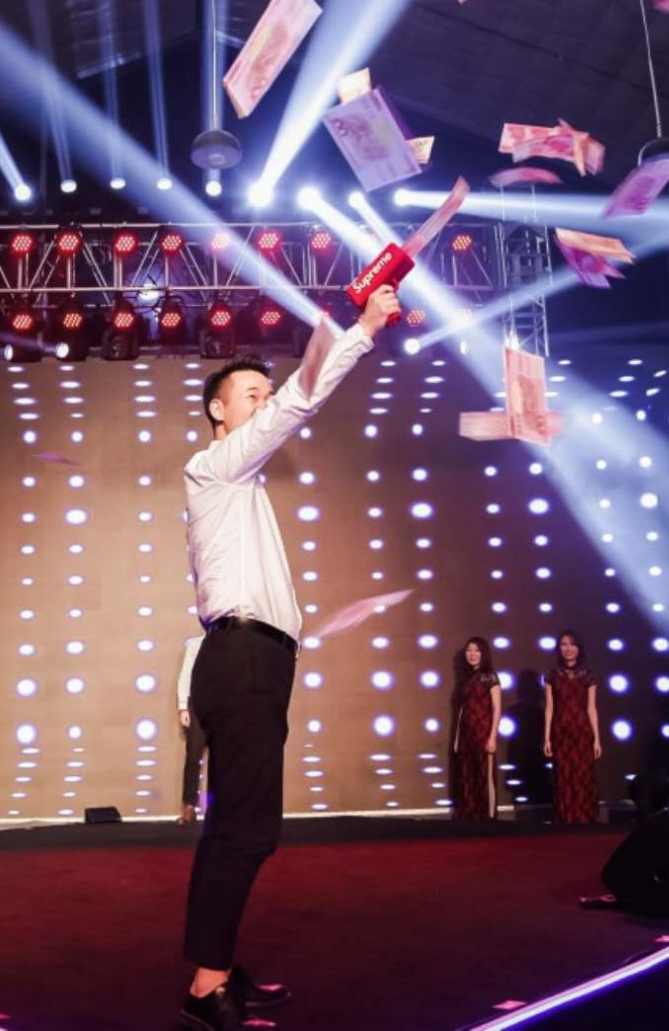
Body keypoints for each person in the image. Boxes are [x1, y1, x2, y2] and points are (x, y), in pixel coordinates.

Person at [177, 284, 396, 1030]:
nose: (266, 403)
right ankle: (206, 988)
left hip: (259, 660)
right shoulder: (212, 468)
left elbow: (290, 405)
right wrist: (362, 330)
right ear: (218, 411)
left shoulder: (243, 489)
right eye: (252, 395)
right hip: (240, 658)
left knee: (235, 826)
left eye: (266, 394)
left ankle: (214, 966)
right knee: (246, 829)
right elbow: (298, 403)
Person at [543, 632, 600, 825]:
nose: (568, 649)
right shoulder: (552, 675)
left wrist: (597, 739)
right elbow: (549, 708)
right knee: (564, 776)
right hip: (561, 732)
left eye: (572, 644)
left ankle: (585, 819)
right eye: (564, 644)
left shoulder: (587, 675)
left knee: (583, 776)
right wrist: (547, 738)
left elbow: (591, 708)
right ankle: (565, 819)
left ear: (578, 648)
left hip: (582, 732)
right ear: (559, 649)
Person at [450, 637, 503, 821]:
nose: (472, 654)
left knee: (484, 776)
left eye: (476, 650)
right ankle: (470, 817)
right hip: (466, 735)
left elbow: (497, 708)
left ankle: (488, 819)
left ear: (483, 654)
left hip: (484, 734)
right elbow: (462, 710)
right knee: (467, 776)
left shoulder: (490, 677)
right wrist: (457, 738)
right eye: (469, 650)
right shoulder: (465, 680)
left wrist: (493, 736)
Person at [177, 635, 207, 825]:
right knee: (193, 756)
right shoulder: (196, 644)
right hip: (198, 704)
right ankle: (189, 806)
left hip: (225, 705)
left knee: (227, 759)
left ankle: (226, 809)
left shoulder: (233, 645)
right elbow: (186, 674)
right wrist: (183, 707)